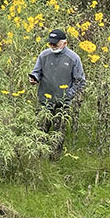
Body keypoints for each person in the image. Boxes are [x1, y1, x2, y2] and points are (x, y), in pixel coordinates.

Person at [29, 29, 86, 158]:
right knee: (41, 130)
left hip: (63, 103)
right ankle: (39, 159)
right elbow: (36, 72)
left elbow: (80, 82)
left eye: (55, 44)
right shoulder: (43, 55)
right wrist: (34, 79)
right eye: (50, 44)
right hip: (45, 100)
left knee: (58, 131)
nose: (52, 46)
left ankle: (54, 160)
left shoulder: (73, 58)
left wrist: (67, 95)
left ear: (65, 43)